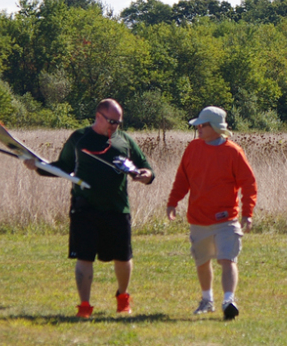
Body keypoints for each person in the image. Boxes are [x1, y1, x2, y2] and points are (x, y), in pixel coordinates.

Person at [25, 99, 155, 318]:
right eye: (111, 121)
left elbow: (147, 168)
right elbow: (63, 167)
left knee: (123, 258)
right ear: (99, 116)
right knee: (84, 257)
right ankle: (84, 305)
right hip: (84, 208)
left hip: (117, 208)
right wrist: (38, 166)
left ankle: (123, 297)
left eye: (118, 122)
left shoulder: (124, 140)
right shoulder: (79, 138)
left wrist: (145, 176)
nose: (115, 126)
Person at [166, 106, 257, 321]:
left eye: (202, 125)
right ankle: (207, 300)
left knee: (228, 259)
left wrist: (248, 213)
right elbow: (182, 179)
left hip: (227, 219)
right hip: (198, 219)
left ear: (215, 128)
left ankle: (229, 301)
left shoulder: (233, 151)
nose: (198, 128)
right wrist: (172, 202)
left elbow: (249, 183)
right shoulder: (192, 148)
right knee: (202, 261)